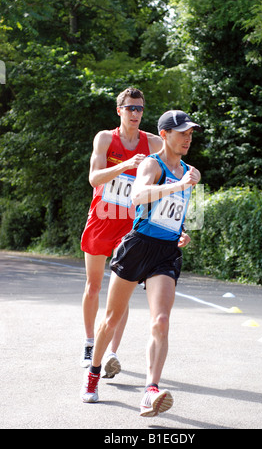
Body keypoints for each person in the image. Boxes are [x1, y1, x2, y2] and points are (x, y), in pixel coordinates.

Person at [80, 110, 201, 417]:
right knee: (111, 319)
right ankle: (93, 372)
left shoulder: (190, 171)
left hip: (165, 252)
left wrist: (181, 233)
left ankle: (151, 391)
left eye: (190, 133)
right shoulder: (152, 163)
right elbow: (138, 196)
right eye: (182, 132)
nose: (188, 137)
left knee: (160, 321)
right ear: (164, 135)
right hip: (137, 247)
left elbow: (174, 213)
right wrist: (178, 185)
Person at [80, 87, 163, 377]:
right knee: (93, 286)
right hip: (102, 216)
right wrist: (126, 164)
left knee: (121, 290)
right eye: (130, 108)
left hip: (130, 223)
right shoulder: (105, 138)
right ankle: (90, 344)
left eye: (140, 108)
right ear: (120, 111)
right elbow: (94, 178)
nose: (136, 113)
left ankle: (111, 354)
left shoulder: (152, 142)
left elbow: (169, 179)